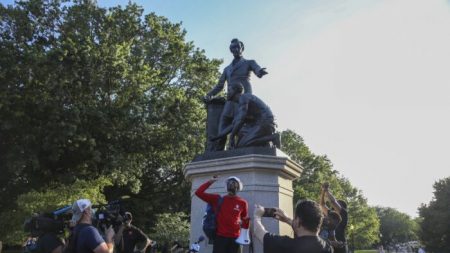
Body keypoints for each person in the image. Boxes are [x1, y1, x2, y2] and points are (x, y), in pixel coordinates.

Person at [204, 38, 268, 150]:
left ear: (242, 48)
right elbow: (220, 86)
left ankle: (239, 146)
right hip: (230, 99)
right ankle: (217, 149)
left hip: (243, 98)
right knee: (223, 123)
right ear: (231, 50)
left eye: (238, 47)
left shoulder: (249, 63)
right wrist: (209, 94)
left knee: (241, 123)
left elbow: (257, 70)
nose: (236, 49)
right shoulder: (227, 69)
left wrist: (260, 72)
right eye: (233, 48)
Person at [253, 199, 333, 253]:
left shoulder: (286, 245)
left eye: (295, 218)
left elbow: (258, 231)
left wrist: (257, 215)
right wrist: (287, 219)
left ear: (298, 221)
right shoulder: (327, 247)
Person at [195, 175, 249, 253]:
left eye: (234, 184)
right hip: (220, 238)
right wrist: (210, 182)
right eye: (229, 184)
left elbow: (245, 219)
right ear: (226, 186)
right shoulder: (217, 199)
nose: (231, 185)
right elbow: (198, 193)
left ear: (238, 187)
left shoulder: (243, 203)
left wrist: (244, 232)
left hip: (236, 239)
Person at [224, 82, 279, 148]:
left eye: (229, 90)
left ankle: (272, 138)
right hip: (260, 123)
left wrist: (231, 137)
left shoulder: (243, 98)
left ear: (235, 90)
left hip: (265, 122)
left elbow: (240, 120)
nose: (228, 93)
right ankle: (266, 141)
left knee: (243, 144)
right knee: (240, 140)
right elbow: (237, 123)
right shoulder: (243, 100)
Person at [322, 183, 348, 253]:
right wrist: (323, 192)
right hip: (330, 246)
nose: (334, 206)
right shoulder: (332, 214)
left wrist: (326, 190)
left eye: (338, 204)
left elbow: (333, 202)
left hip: (340, 247)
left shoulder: (344, 213)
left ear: (342, 207)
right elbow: (322, 205)